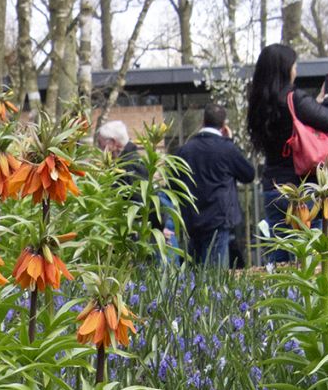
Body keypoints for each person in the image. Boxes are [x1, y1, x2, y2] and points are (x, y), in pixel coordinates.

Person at [245, 43, 328, 261]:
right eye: (294, 66)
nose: (296, 71)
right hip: (302, 188)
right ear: (285, 69)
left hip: (273, 188)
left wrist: (315, 104)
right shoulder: (294, 98)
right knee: (311, 254)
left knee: (279, 253)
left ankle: (278, 283)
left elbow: (290, 124)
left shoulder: (258, 103)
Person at [174, 103, 255, 267]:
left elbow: (173, 183)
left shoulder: (185, 151)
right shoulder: (226, 149)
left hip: (192, 220)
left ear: (202, 122)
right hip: (219, 219)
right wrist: (229, 141)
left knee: (195, 273)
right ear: (224, 125)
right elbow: (248, 174)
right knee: (215, 274)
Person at [97, 119, 177, 249]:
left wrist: (159, 228)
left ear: (113, 143)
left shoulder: (131, 165)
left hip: (142, 233)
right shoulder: (125, 163)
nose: (100, 149)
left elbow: (145, 200)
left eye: (101, 145)